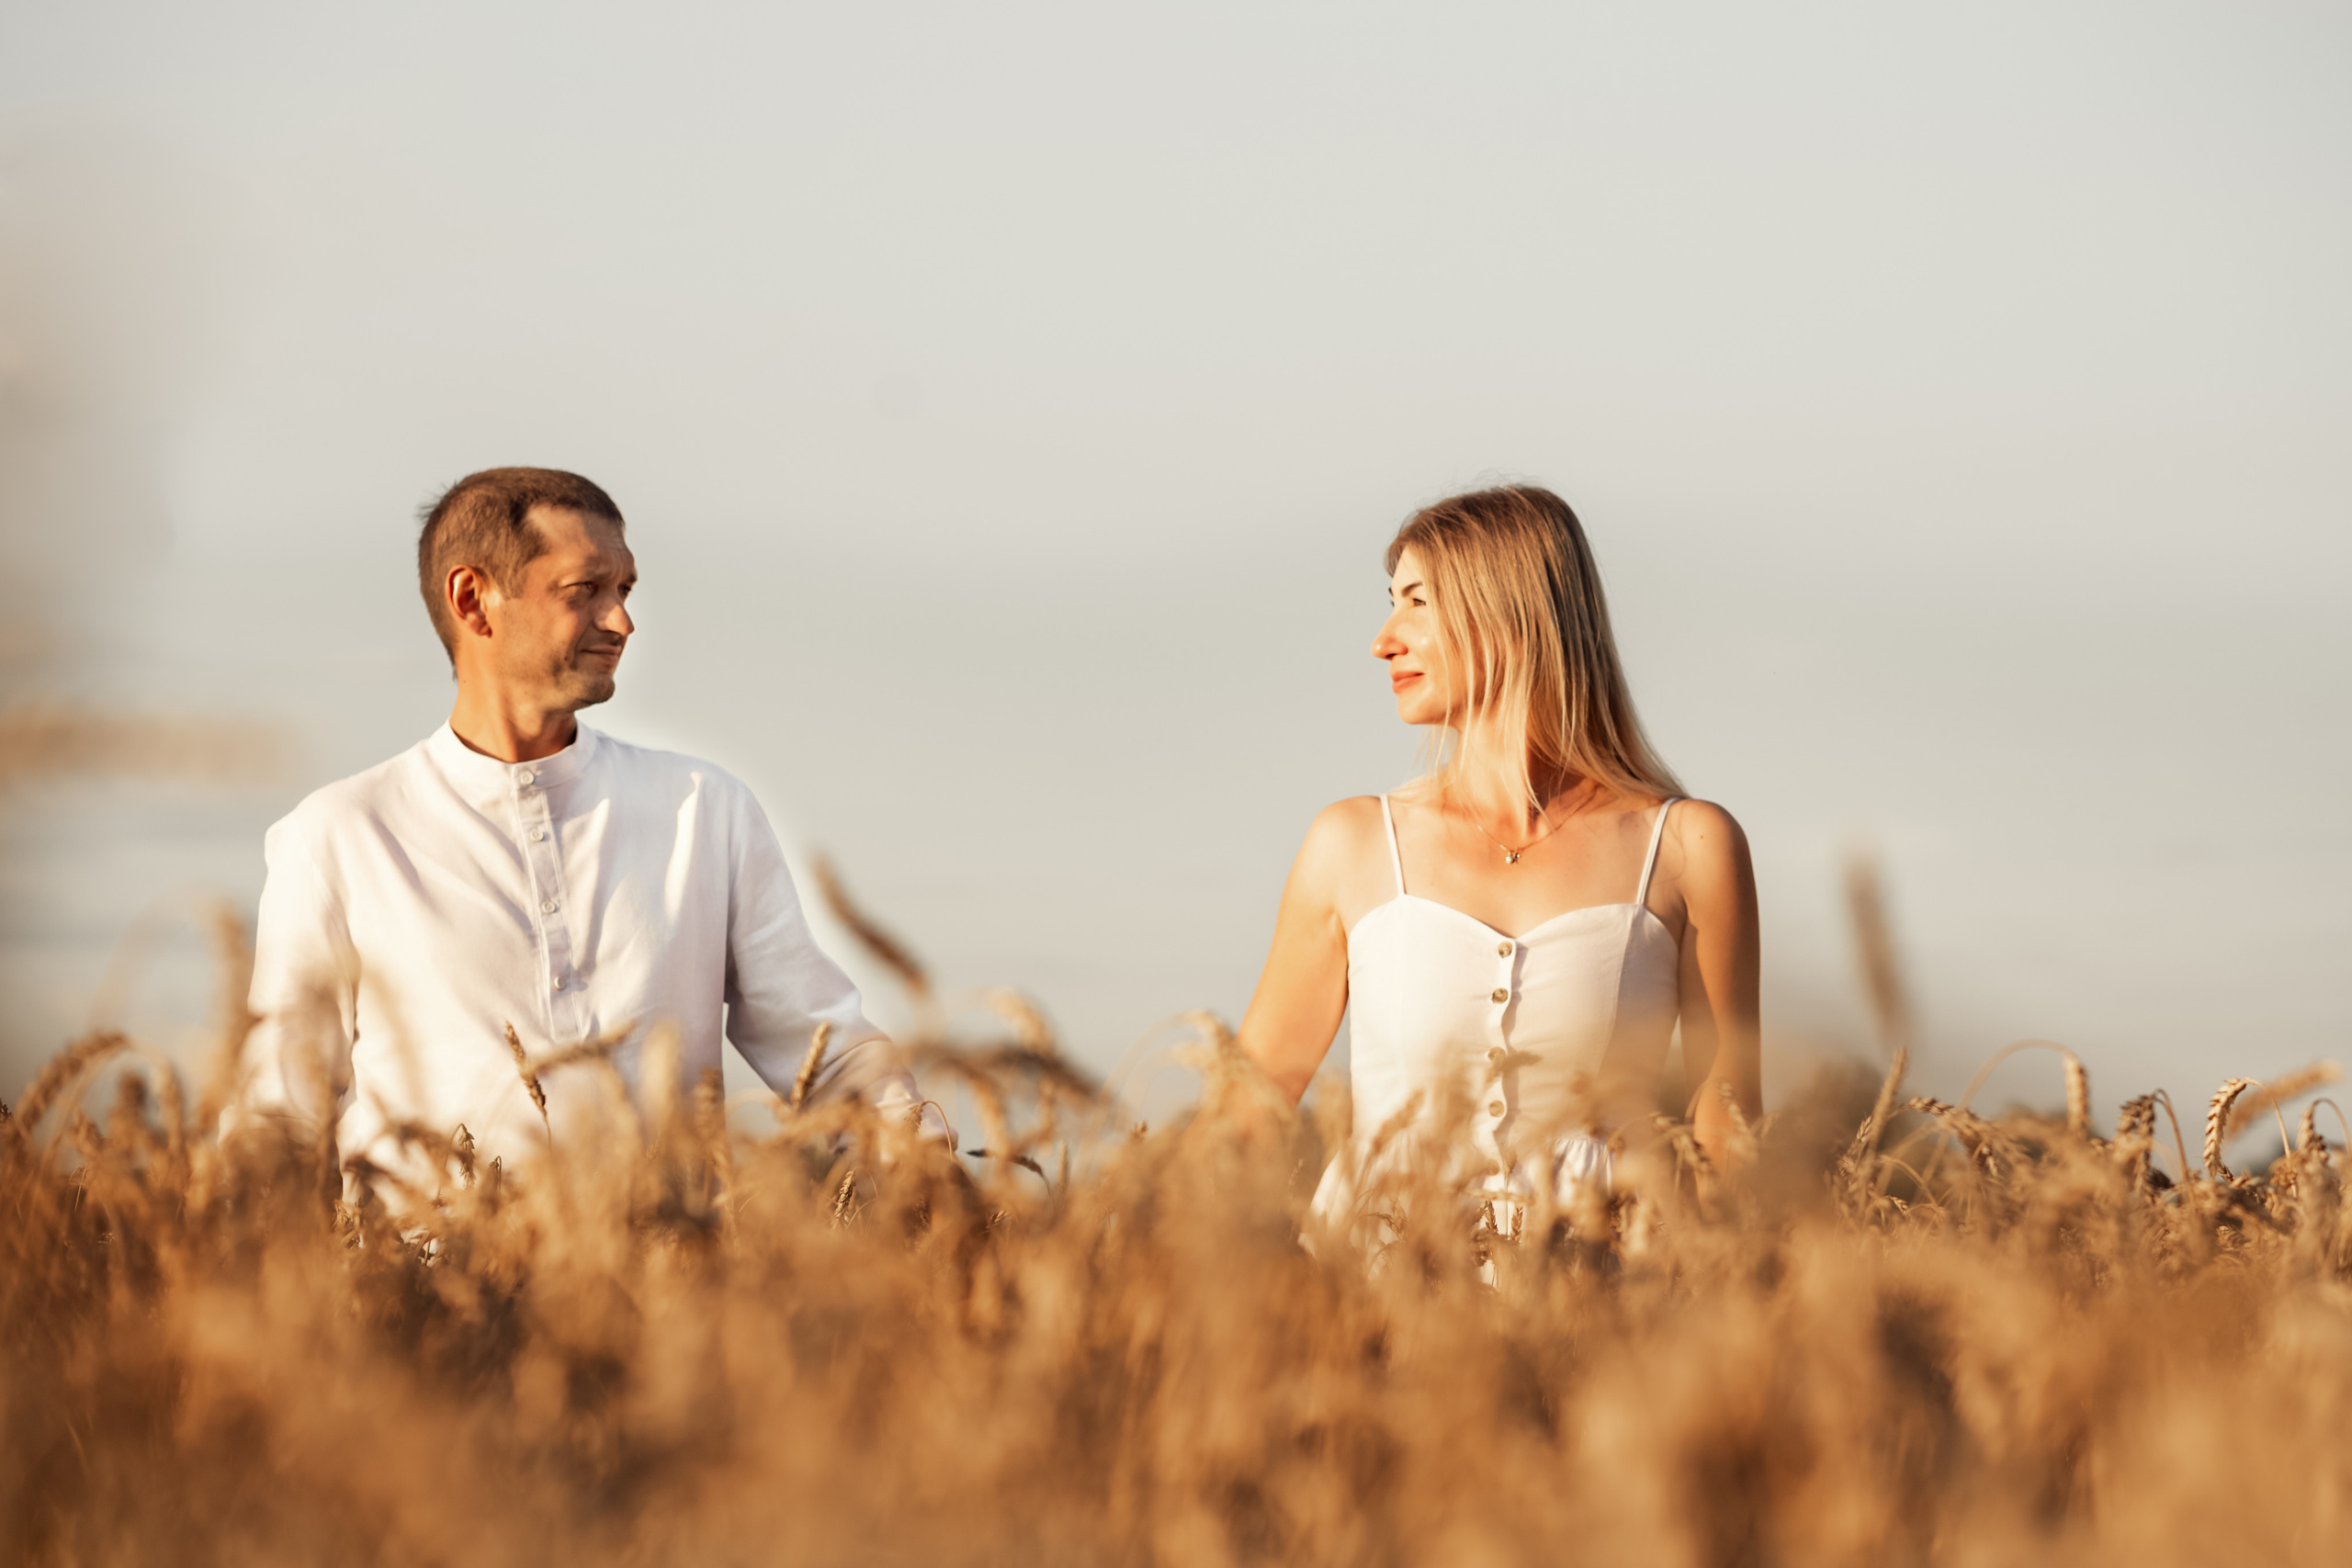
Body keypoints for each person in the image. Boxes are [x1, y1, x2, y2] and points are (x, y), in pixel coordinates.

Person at [240, 467, 938, 1192]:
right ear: (473, 599)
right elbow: (282, 1116)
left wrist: (928, 1164)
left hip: (675, 1288)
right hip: (427, 1297)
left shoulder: (705, 809)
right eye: (586, 591)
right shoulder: (338, 838)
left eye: (625, 590)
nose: (622, 622)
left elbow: (824, 1050)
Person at [1236, 484, 1760, 1234]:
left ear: (1507, 609)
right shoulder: (1350, 845)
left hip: (1601, 1309)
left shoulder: (1689, 847)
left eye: (1416, 601)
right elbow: (1245, 1111)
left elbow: (1727, 1130)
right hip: (1377, 1305)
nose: (1384, 638)